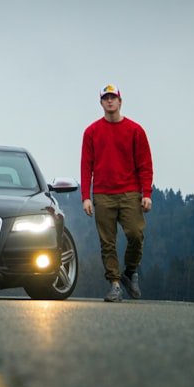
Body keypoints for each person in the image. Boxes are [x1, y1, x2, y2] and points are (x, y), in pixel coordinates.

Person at [80, 84, 154, 302]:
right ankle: (114, 284)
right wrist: (86, 196)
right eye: (106, 98)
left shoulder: (135, 130)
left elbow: (145, 165)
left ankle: (130, 272)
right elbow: (86, 166)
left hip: (130, 192)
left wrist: (146, 193)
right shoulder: (91, 132)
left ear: (120, 101)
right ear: (101, 103)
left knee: (135, 234)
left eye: (113, 98)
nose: (110, 101)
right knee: (107, 242)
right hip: (103, 194)